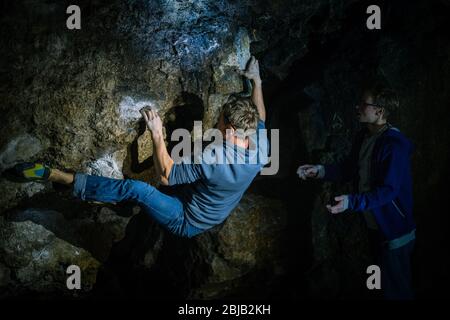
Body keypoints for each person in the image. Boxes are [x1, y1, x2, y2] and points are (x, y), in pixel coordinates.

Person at [11, 56, 268, 238]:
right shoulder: (262, 145)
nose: (216, 124)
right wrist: (257, 82)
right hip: (206, 200)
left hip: (187, 218)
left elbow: (166, 177)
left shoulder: (214, 158)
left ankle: (60, 177)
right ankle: (118, 201)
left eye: (220, 123)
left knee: (138, 190)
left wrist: (157, 133)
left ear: (231, 131)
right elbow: (261, 116)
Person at [297, 83, 416, 299]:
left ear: (379, 111)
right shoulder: (365, 136)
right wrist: (320, 170)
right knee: (377, 285)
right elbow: (350, 168)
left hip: (394, 232)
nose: (358, 107)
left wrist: (352, 202)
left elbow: (388, 191)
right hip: (374, 229)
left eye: (364, 104)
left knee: (396, 291)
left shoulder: (394, 145)